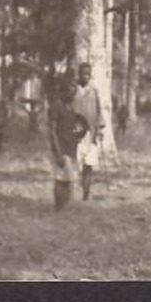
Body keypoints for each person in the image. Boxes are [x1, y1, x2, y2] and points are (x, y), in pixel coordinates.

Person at [47, 76, 86, 211]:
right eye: (69, 91)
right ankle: (59, 208)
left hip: (72, 148)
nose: (72, 94)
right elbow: (52, 131)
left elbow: (76, 125)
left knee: (69, 179)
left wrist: (78, 135)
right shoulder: (56, 107)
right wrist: (58, 152)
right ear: (62, 91)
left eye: (73, 91)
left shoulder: (73, 108)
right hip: (61, 148)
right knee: (60, 180)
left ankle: (65, 207)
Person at [71, 62, 105, 201]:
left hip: (90, 133)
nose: (86, 76)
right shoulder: (73, 90)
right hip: (75, 133)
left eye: (88, 74)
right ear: (79, 74)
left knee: (88, 165)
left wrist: (100, 129)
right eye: (83, 73)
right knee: (75, 164)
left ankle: (86, 193)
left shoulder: (94, 91)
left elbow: (99, 111)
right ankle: (72, 193)